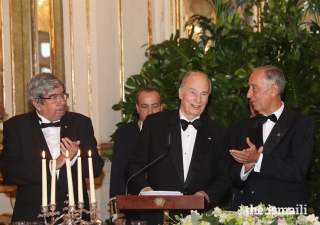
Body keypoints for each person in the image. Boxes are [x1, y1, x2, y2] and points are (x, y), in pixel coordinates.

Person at [124, 71, 232, 224]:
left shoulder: (218, 132)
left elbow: (225, 175)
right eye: (192, 92)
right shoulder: (154, 124)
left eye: (204, 94)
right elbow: (134, 164)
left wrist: (206, 194)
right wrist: (145, 191)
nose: (198, 100)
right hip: (158, 215)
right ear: (180, 93)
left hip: (200, 218)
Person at [0, 73, 104, 222]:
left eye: (63, 95)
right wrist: (52, 165)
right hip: (32, 215)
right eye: (54, 97)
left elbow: (96, 168)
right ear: (37, 103)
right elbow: (10, 172)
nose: (62, 102)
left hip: (75, 215)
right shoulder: (16, 127)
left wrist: (74, 158)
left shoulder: (80, 123)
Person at [230, 65, 314, 209]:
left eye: (254, 88)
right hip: (249, 215)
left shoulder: (301, 124)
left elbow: (298, 170)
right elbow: (234, 178)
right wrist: (246, 167)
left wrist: (258, 159)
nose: (249, 94)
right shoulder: (243, 127)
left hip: (286, 214)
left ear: (273, 89)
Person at [109, 88, 163, 225]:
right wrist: (117, 212)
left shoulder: (172, 134)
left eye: (154, 106)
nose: (150, 112)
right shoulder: (124, 134)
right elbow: (117, 175)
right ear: (137, 108)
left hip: (164, 207)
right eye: (145, 107)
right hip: (132, 209)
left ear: (161, 108)